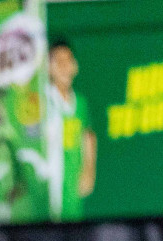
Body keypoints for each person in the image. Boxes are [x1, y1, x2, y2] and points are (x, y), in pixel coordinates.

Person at [43, 40, 97, 221]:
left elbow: (88, 135)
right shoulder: (42, 101)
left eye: (69, 61)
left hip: (73, 192)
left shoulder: (80, 103)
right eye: (59, 62)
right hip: (49, 192)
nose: (65, 67)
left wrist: (89, 169)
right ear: (49, 67)